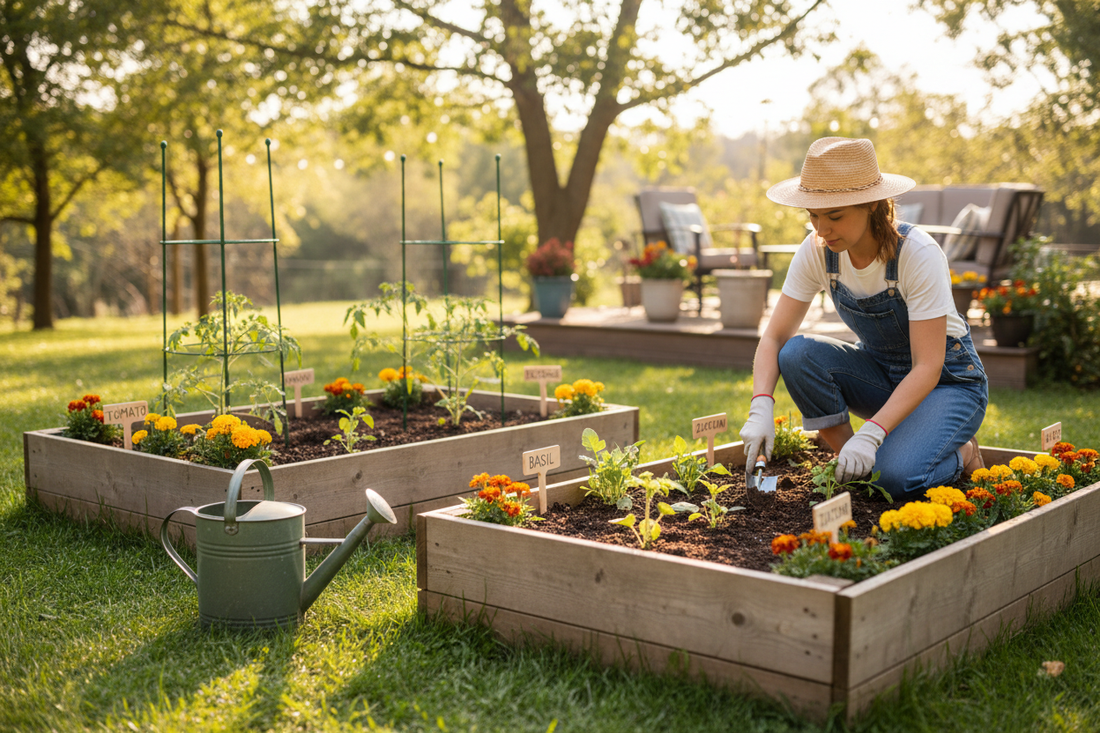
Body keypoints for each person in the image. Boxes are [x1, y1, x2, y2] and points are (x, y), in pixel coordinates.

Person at [738, 137, 987, 500]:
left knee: (895, 479)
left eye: (834, 216)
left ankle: (961, 452)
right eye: (813, 215)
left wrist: (871, 434)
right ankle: (853, 464)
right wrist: (761, 404)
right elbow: (774, 338)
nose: (821, 229)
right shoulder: (817, 252)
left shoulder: (917, 254)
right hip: (882, 376)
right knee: (796, 353)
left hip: (947, 384)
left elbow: (928, 367)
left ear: (871, 204)